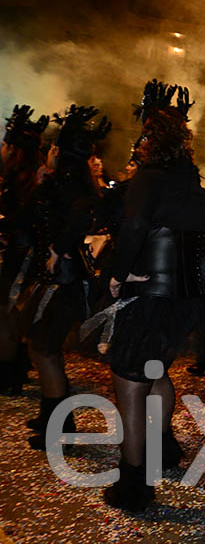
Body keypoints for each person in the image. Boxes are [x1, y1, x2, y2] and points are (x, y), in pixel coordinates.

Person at [81, 81, 205, 512]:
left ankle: (134, 484)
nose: (138, 144)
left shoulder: (148, 179)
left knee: (128, 384)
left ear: (152, 141)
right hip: (182, 298)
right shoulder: (190, 180)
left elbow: (134, 229)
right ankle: (163, 449)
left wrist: (116, 275)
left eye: (143, 137)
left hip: (149, 295)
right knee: (157, 372)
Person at [12, 105, 109, 449]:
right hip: (52, 276)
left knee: (45, 348)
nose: (49, 152)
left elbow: (83, 214)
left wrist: (59, 249)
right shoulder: (60, 179)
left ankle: (60, 427)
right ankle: (52, 416)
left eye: (54, 147)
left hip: (61, 278)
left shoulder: (68, 180)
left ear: (61, 151)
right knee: (42, 348)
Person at [0, 105, 48, 395]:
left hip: (23, 256)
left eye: (7, 145)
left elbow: (28, 220)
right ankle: (15, 366)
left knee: (5, 314)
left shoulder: (30, 181)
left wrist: (4, 225)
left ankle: (8, 375)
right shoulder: (20, 178)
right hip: (20, 253)